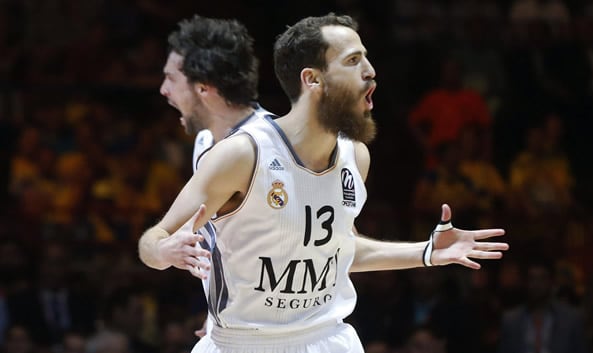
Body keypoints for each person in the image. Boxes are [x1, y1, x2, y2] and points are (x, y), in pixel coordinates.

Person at [138, 13, 508, 353]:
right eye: (352, 61)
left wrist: (426, 253)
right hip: (242, 343)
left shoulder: (355, 157)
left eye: (366, 58)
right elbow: (151, 242)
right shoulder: (242, 155)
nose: (370, 71)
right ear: (312, 79)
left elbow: (336, 251)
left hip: (327, 339)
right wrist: (165, 252)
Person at [157, 15, 275, 337]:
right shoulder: (205, 142)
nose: (163, 90)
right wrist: (220, 312)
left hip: (285, 334)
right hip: (234, 329)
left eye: (171, 78)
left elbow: (324, 250)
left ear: (203, 89)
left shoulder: (275, 149)